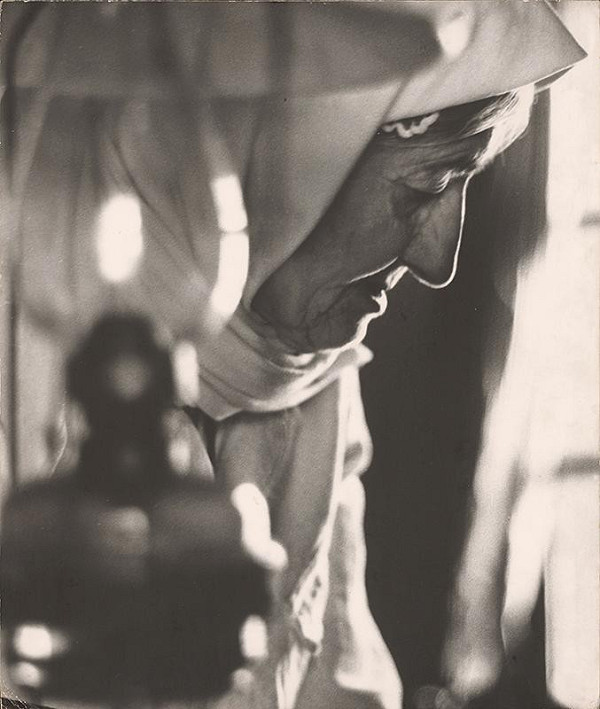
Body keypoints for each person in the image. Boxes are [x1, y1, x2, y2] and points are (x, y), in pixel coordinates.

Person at [0, 3, 584, 709]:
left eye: (467, 184)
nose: (440, 261)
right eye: (425, 187)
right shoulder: (25, 362)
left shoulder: (306, 376)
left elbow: (341, 682)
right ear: (277, 166)